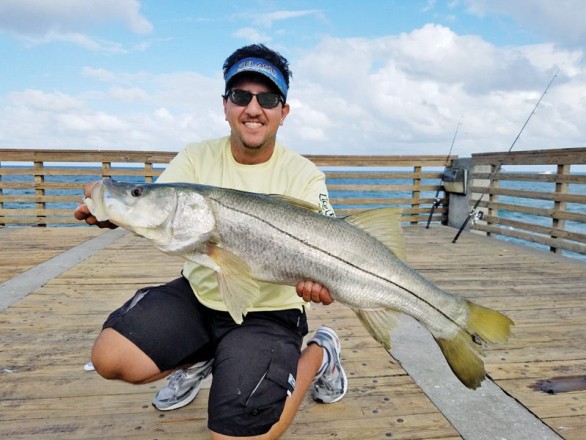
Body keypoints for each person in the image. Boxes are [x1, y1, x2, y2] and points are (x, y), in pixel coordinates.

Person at [74, 43, 347, 439]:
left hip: (271, 313)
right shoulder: (196, 157)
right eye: (240, 96)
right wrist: (114, 212)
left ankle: (320, 353)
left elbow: (332, 244)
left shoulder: (304, 176)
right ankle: (204, 357)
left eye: (267, 98)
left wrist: (322, 282)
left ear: (283, 112)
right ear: (225, 106)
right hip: (201, 298)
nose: (253, 108)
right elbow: (158, 207)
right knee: (111, 358)